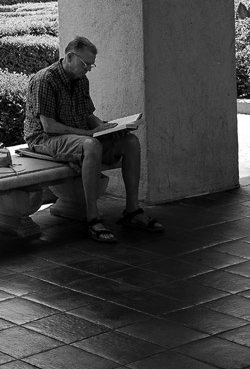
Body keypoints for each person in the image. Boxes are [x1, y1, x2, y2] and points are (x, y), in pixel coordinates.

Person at [23, 36, 164, 243]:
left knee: (130, 142)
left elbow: (88, 115)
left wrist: (106, 128)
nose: (88, 69)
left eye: (91, 64)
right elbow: (49, 126)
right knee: (92, 144)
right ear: (69, 57)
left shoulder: (81, 80)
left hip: (77, 136)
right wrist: (90, 134)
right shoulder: (45, 79)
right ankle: (92, 218)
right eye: (85, 64)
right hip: (44, 138)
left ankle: (132, 211)